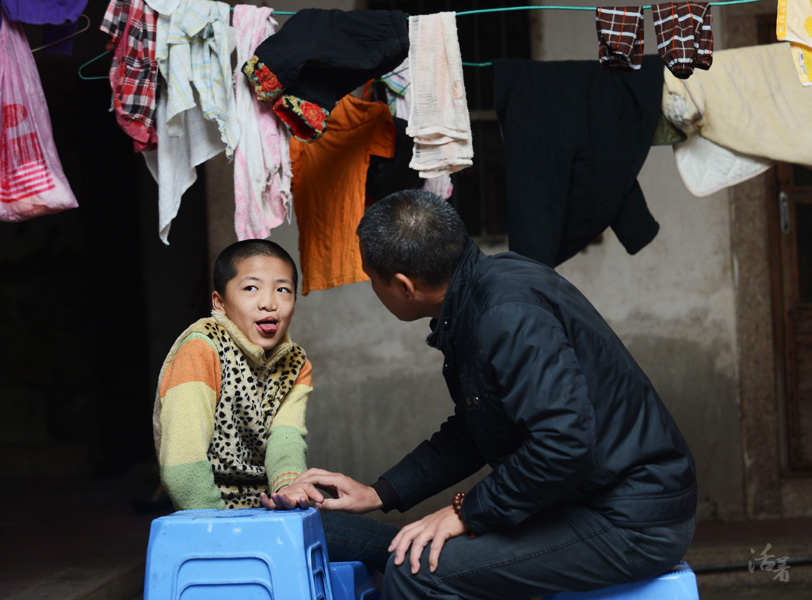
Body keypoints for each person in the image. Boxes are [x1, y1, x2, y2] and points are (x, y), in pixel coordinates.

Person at [295, 190, 698, 599]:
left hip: (631, 520)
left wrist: (465, 512)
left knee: (416, 572)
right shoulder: (480, 292)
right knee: (408, 549)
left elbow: (564, 444)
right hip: (587, 499)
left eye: (371, 278)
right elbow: (475, 428)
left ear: (403, 285)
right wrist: (380, 492)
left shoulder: (504, 312)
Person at [152, 239, 397, 568]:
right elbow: (182, 469)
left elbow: (286, 439)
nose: (269, 304)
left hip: (269, 513)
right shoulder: (201, 349)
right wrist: (221, 536)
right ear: (220, 302)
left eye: (283, 290)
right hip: (213, 517)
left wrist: (289, 489)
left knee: (383, 545)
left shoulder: (296, 362)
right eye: (251, 288)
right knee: (398, 549)